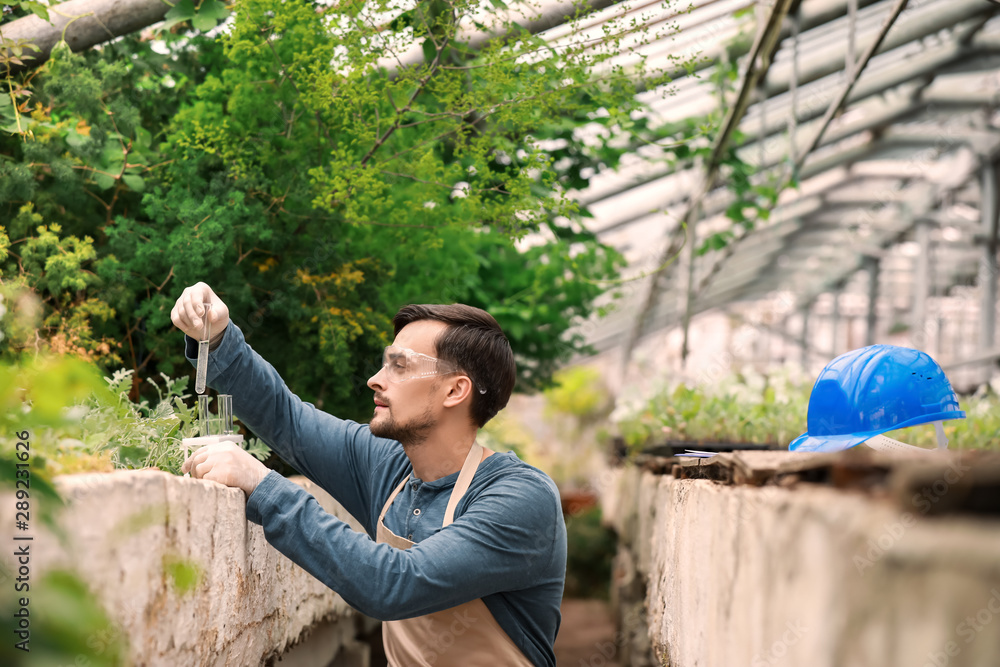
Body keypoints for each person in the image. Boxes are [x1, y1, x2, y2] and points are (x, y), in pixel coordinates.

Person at [171, 282, 567, 666]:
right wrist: (218, 336)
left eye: (400, 366)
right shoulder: (388, 466)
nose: (375, 379)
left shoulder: (520, 498)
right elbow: (285, 418)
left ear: (454, 391)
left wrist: (264, 485)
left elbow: (396, 584)